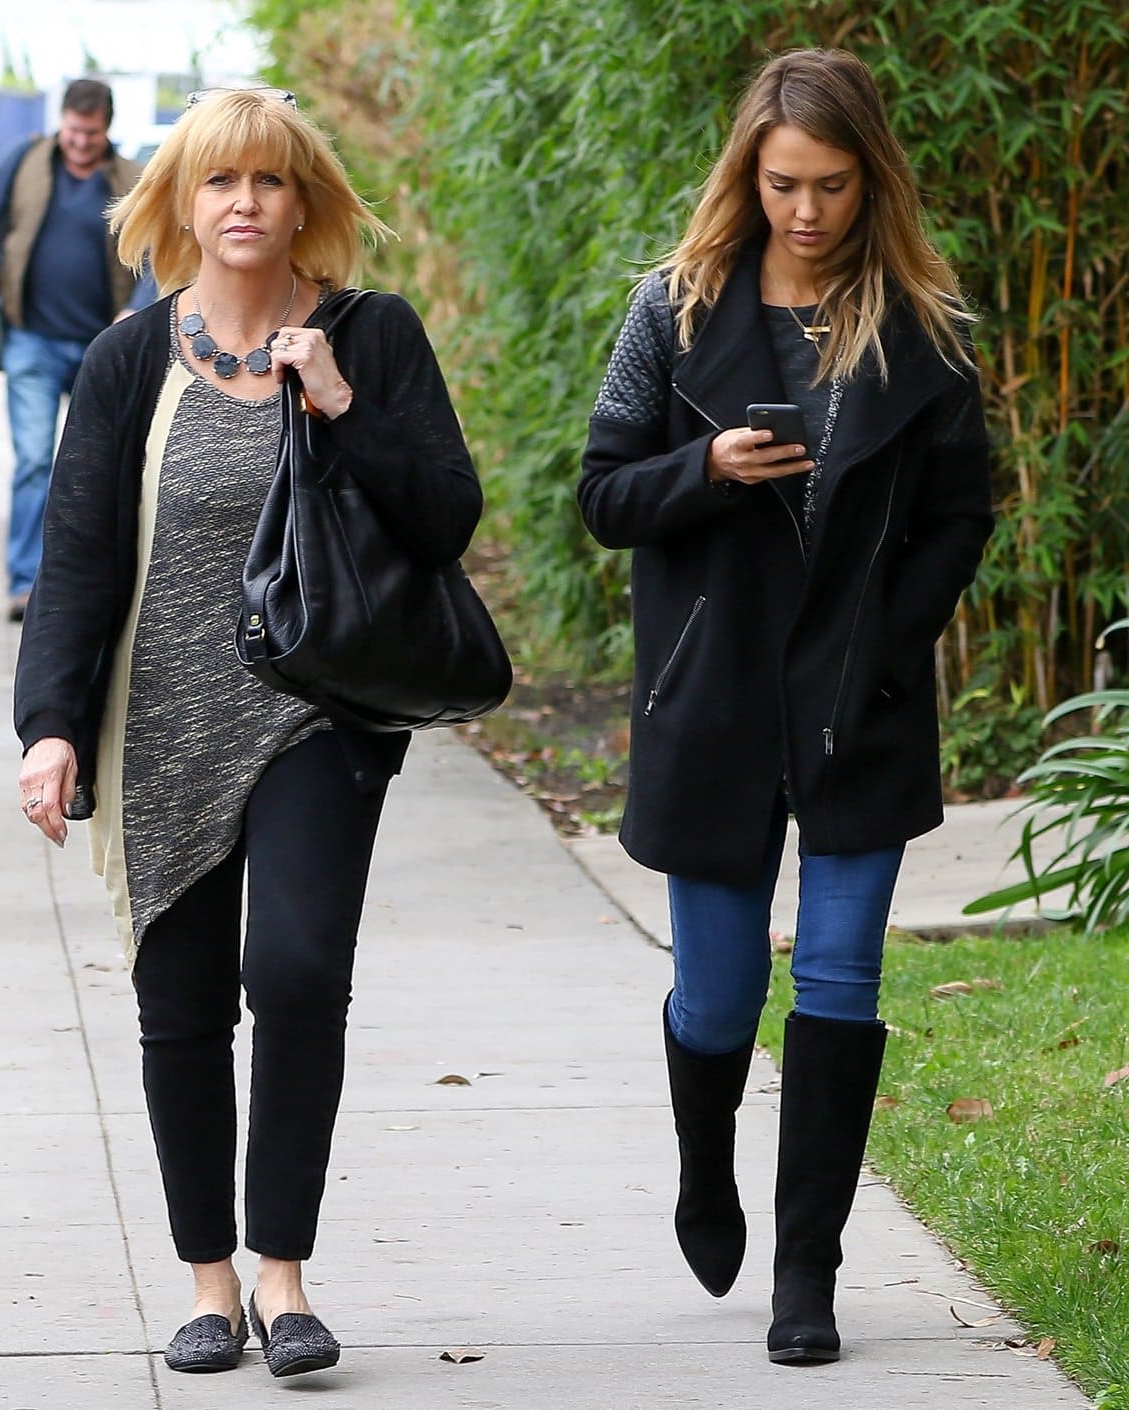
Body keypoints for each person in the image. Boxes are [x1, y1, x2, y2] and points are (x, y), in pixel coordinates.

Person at [12, 87, 482, 1377]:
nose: (244, 204)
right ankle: (210, 1283)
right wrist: (52, 727)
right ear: (178, 204)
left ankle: (284, 1275)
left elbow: (445, 518)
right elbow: (79, 565)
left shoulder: (371, 339)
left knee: (292, 972)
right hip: (158, 721)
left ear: (304, 202)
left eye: (269, 181)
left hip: (316, 715)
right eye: (218, 183)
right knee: (181, 1007)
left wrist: (339, 403)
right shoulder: (124, 363)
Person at [578, 49, 992, 1366]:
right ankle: (709, 1172)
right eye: (780, 185)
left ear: (870, 179)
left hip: (859, 698)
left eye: (827, 186)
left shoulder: (924, 329)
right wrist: (704, 465)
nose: (804, 212)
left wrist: (891, 638)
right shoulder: (679, 309)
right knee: (717, 992)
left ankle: (805, 1270)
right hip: (710, 697)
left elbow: (958, 517)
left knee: (839, 976)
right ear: (747, 177)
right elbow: (601, 497)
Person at [0, 79, 154, 621]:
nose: (81, 142)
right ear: (62, 121)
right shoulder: (28, 162)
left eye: (92, 133)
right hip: (30, 339)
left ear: (107, 128)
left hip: (100, 351)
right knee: (35, 460)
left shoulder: (130, 180)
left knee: (95, 468)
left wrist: (135, 309)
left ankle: (87, 585)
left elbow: (159, 254)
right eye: (73, 130)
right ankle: (24, 585)